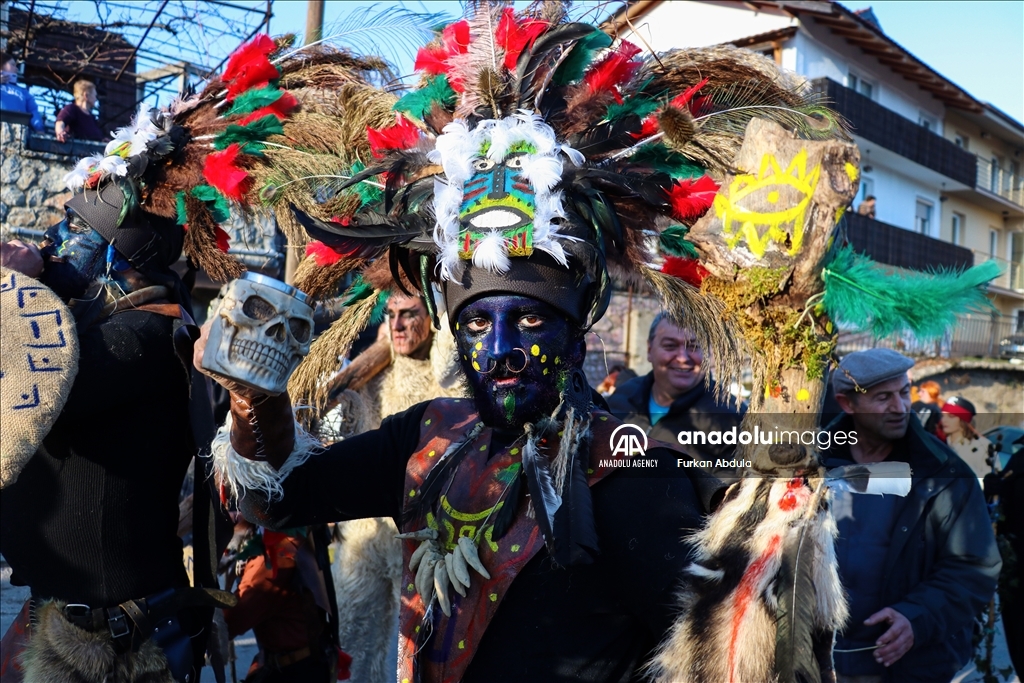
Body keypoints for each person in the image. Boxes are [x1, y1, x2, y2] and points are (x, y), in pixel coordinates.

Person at [823, 348, 1001, 683]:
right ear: (847, 404)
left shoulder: (944, 472)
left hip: (906, 668)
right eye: (883, 397)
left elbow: (974, 565)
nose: (900, 407)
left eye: (904, 392)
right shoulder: (810, 463)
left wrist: (916, 616)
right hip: (817, 663)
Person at [326, 289, 462, 683]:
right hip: (368, 534)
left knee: (425, 657)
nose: (398, 324)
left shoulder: (452, 377)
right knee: (352, 647)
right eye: (391, 314)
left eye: (408, 313)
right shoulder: (375, 372)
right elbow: (336, 413)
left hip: (430, 542)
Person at [607, 312, 744, 465]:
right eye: (670, 346)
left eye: (693, 346)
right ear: (649, 350)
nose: (683, 358)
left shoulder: (734, 418)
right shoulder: (621, 398)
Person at [223, 524, 337, 683]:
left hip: (294, 672)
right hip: (300, 663)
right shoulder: (294, 536)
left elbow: (230, 622)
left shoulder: (275, 555)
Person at [939, 396, 995, 481]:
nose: (944, 420)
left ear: (963, 420)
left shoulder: (982, 446)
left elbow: (988, 480)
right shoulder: (939, 443)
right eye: (943, 415)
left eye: (951, 416)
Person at [0, 54, 43, 132]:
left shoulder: (23, 92)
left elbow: (33, 111)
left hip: (17, 135)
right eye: (12, 65)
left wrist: (39, 128)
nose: (16, 69)